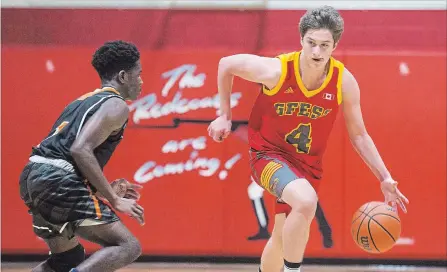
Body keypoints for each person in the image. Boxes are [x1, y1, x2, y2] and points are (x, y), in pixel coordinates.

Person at [208, 6, 409, 272]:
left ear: (334, 45)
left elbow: (359, 134)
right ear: (301, 40)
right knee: (305, 201)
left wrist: (384, 176)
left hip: (307, 166)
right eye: (311, 43)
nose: (316, 52)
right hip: (267, 156)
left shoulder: (343, 82)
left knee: (281, 237)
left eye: (324, 45)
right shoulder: (277, 70)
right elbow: (227, 64)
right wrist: (224, 115)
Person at [19, 40, 145, 272]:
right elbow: (80, 149)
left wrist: (104, 188)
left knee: (66, 260)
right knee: (128, 246)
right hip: (56, 179)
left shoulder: (83, 100)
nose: (141, 81)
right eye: (138, 74)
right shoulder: (116, 105)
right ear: (123, 76)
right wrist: (114, 199)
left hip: (33, 176)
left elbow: (68, 155)